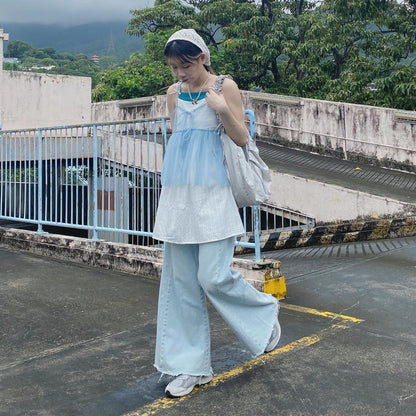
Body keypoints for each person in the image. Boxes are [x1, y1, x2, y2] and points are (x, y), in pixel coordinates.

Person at [152, 28, 281, 398]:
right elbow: (180, 138)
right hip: (178, 197)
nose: (180, 73)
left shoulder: (225, 87)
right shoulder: (173, 94)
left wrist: (223, 110)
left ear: (203, 58)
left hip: (214, 196)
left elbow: (241, 138)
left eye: (186, 65)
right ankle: (190, 367)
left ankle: (263, 316)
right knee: (181, 285)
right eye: (175, 67)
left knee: (212, 277)